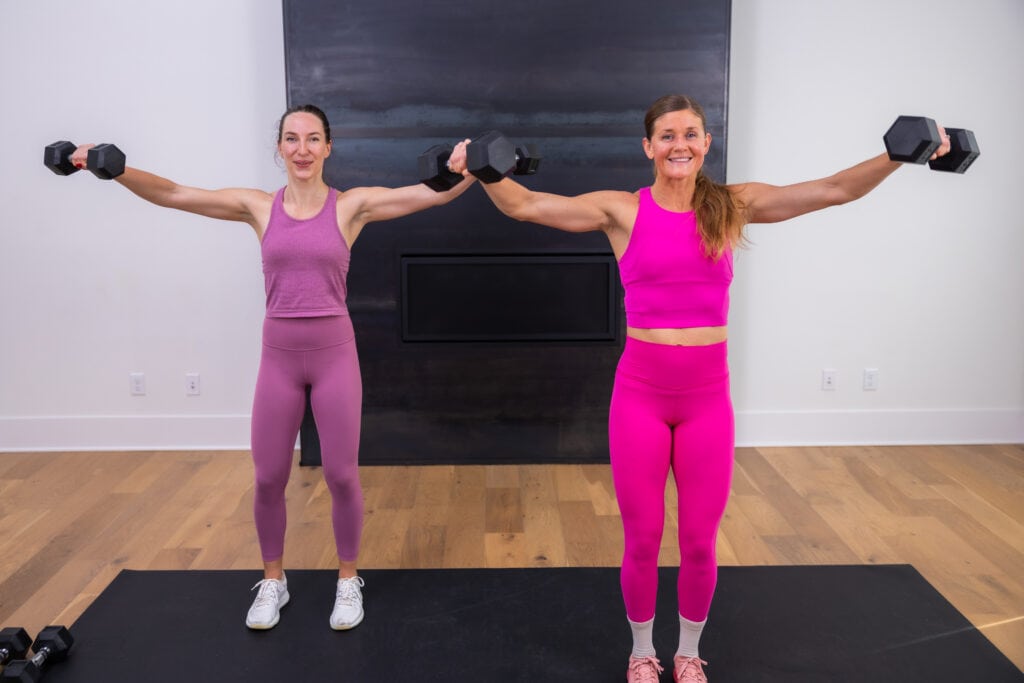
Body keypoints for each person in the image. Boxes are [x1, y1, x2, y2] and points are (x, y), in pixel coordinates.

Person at [447, 94, 952, 683]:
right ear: (648, 147)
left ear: (706, 143)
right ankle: (642, 651)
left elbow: (833, 190)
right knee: (642, 538)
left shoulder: (732, 206)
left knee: (699, 541)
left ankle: (687, 652)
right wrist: (481, 169)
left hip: (707, 399)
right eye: (666, 135)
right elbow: (528, 205)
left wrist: (895, 156)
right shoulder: (622, 211)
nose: (678, 144)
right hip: (640, 395)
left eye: (690, 133)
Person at [69, 104, 476, 631]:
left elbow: (429, 194)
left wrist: (473, 168)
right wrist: (112, 168)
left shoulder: (351, 207)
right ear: (279, 148)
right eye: (291, 139)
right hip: (278, 357)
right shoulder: (259, 207)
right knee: (267, 476)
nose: (302, 149)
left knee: (341, 474)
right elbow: (173, 193)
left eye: (312, 139)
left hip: (334, 355)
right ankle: (274, 582)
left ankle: (348, 580)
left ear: (328, 147)